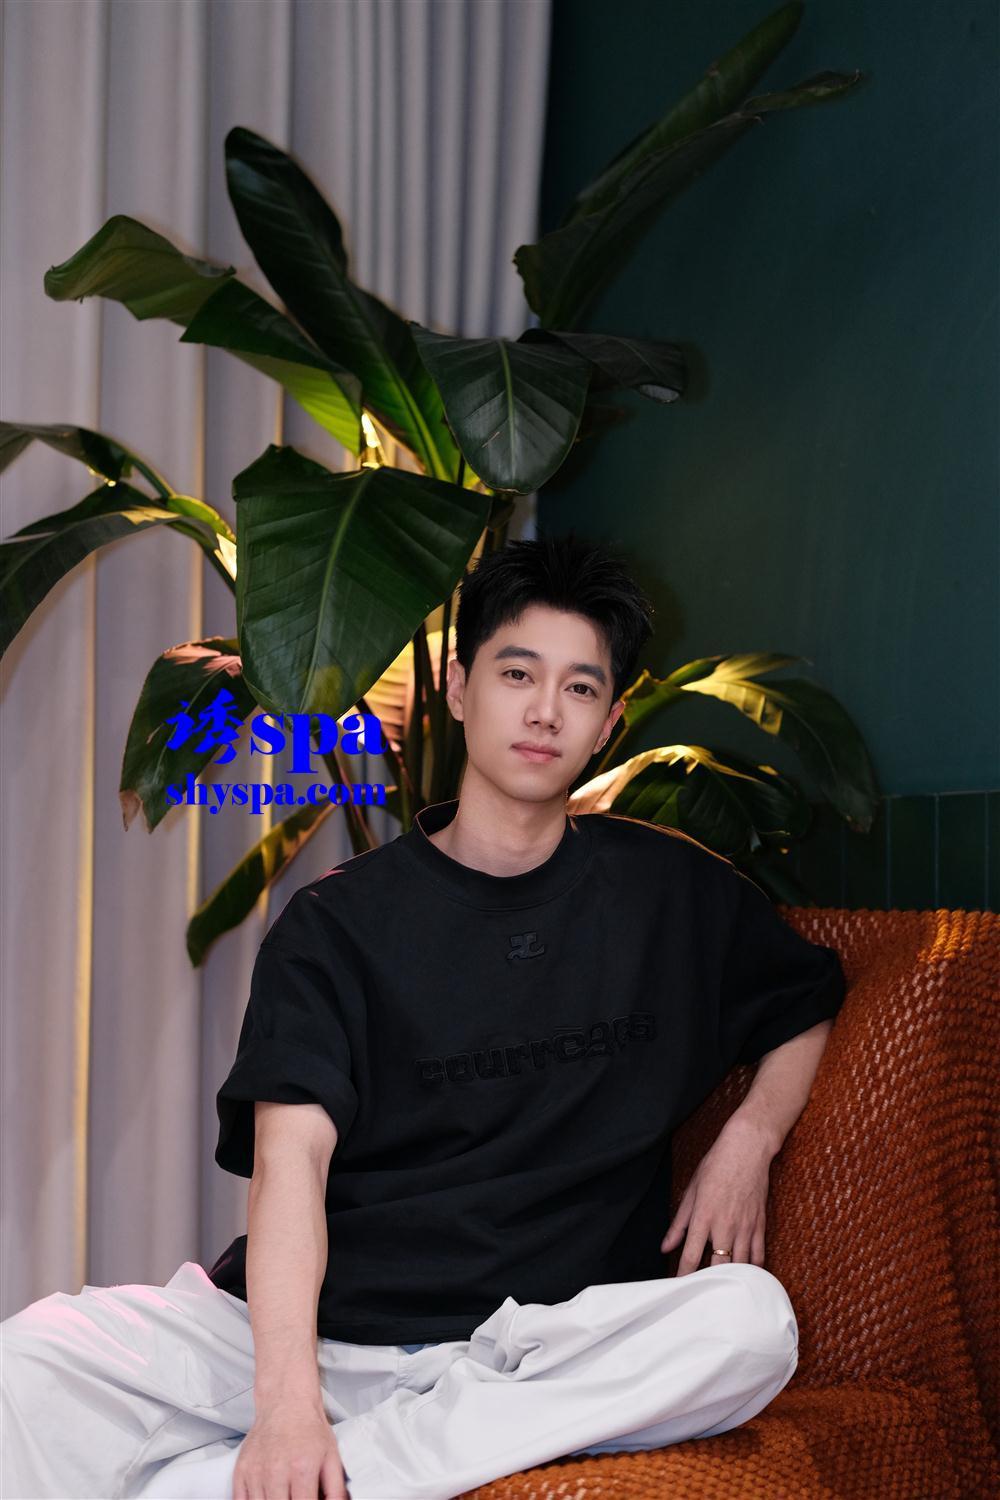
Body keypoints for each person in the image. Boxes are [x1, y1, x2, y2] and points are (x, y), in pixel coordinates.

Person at [0, 533, 846, 1500]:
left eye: (579, 688)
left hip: (525, 1349)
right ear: (458, 687)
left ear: (609, 722)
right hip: (311, 1333)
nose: (544, 710)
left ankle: (256, 1480)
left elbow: (806, 1000)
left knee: (748, 1325)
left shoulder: (669, 892)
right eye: (517, 673)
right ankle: (338, 1456)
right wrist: (287, 1404)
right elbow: (290, 1163)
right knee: (29, 1364)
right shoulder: (337, 924)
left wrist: (751, 1137)